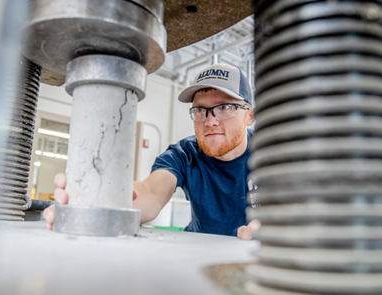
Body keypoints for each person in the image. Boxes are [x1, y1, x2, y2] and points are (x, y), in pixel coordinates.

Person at [43, 63, 260, 240]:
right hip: (197, 252)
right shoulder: (185, 153)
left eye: (225, 107)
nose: (210, 120)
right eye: (200, 110)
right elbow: (151, 192)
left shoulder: (274, 155)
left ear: (249, 115)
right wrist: (98, 202)